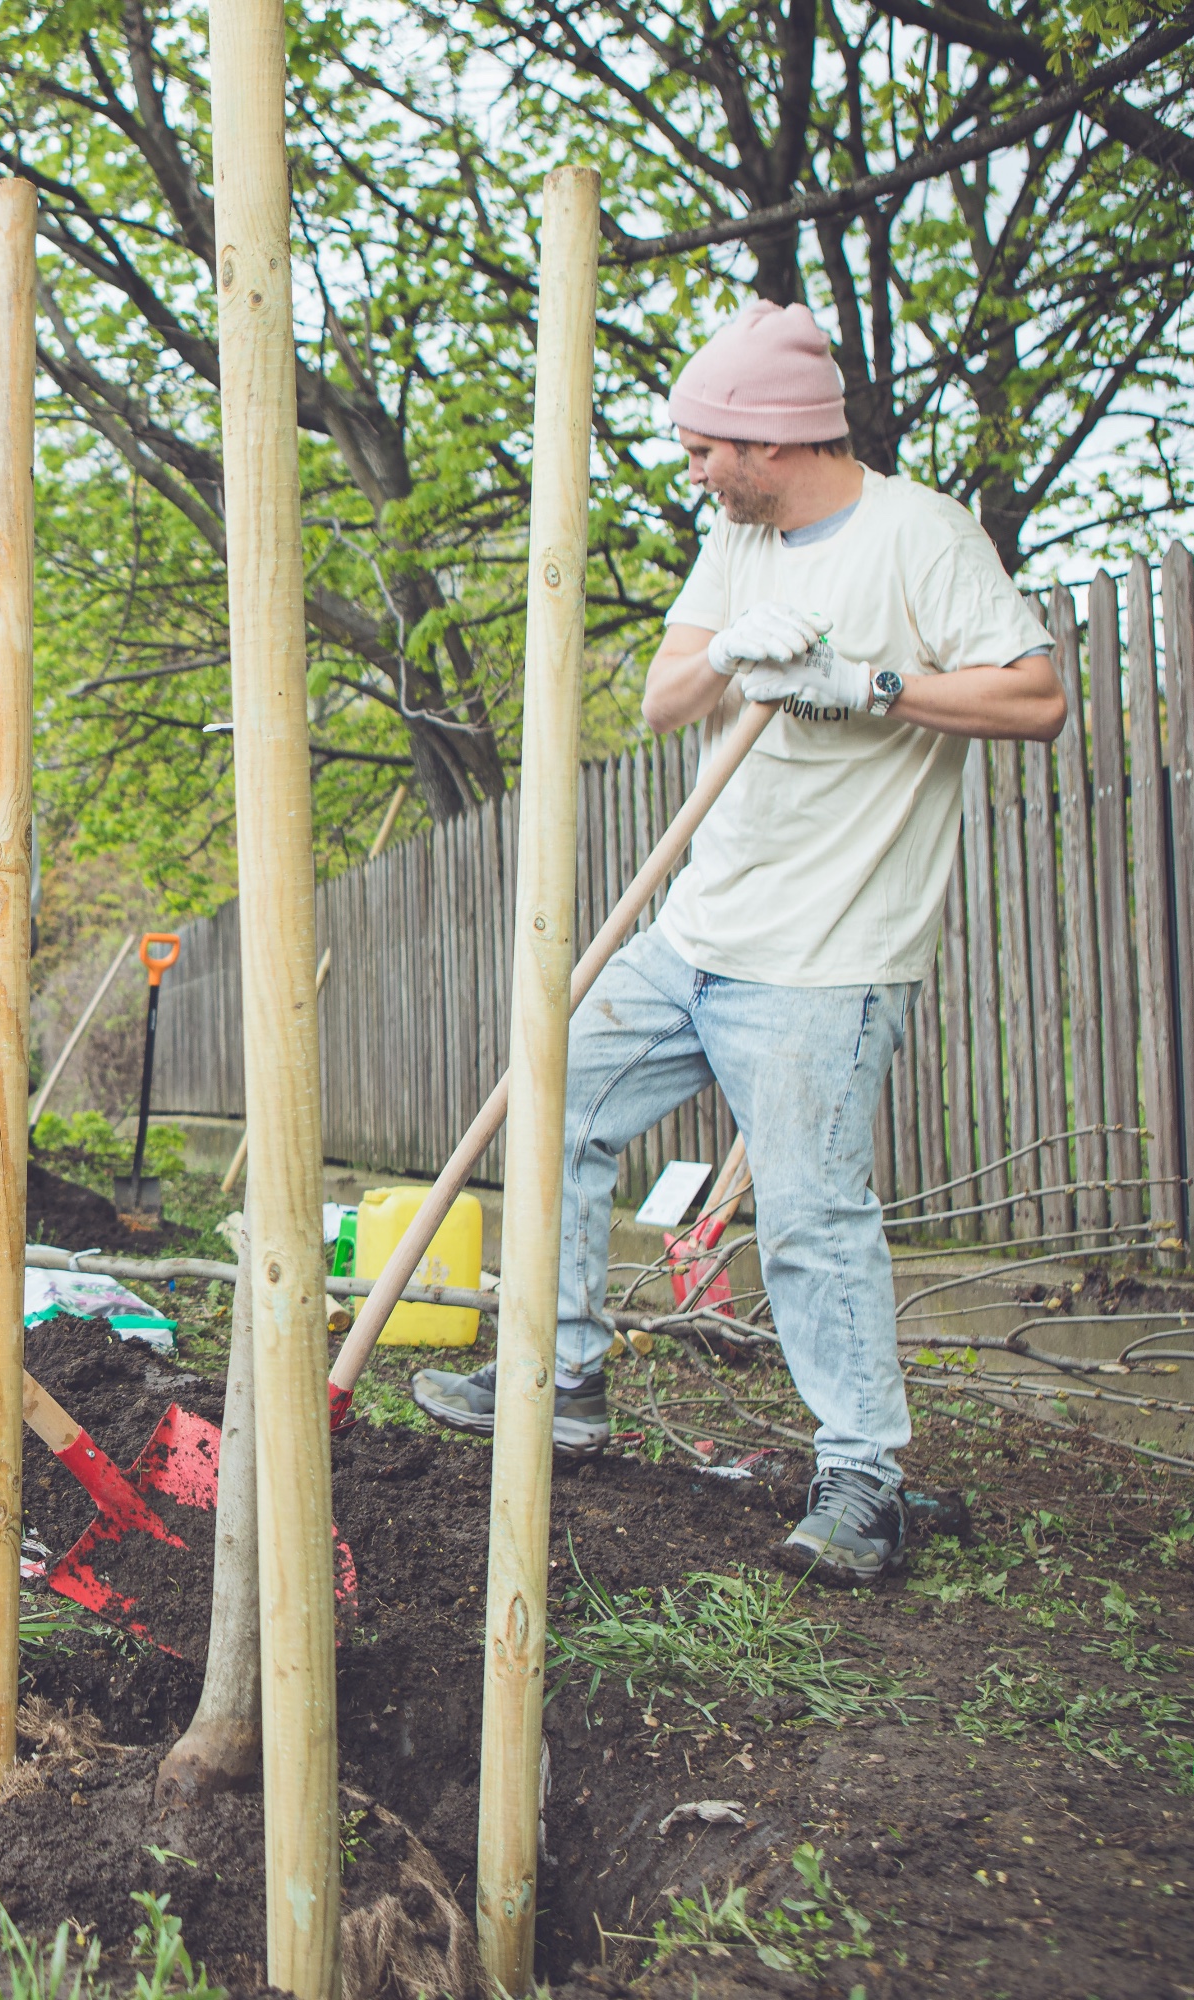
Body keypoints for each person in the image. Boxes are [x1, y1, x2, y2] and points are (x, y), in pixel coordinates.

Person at [412, 300, 1066, 1586]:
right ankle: (565, 1377)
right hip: (694, 930)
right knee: (553, 1104)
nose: (696, 469)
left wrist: (868, 683)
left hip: (827, 954)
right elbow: (665, 695)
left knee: (814, 1217)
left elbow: (1037, 695)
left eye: (709, 447)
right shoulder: (737, 539)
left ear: (773, 439)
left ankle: (865, 1476)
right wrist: (735, 659)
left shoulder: (921, 535)